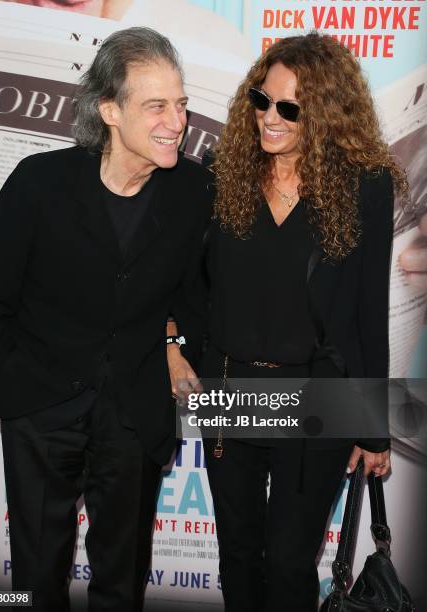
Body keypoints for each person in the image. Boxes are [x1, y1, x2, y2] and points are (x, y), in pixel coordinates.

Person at [0, 27, 211, 611]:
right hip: (43, 410)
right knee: (35, 580)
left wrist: (175, 342)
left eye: (180, 105)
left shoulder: (196, 192)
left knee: (121, 583)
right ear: (110, 110)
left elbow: (198, 298)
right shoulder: (40, 182)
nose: (176, 121)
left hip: (135, 418)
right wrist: (16, 381)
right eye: (157, 106)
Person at [168, 32, 409, 611]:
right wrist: (175, 346)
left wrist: (373, 427)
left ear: (325, 114)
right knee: (239, 558)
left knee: (292, 562)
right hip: (231, 389)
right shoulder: (222, 176)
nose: (268, 118)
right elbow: (186, 284)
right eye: (261, 100)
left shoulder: (363, 187)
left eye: (289, 108)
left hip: (317, 396)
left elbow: (366, 311)